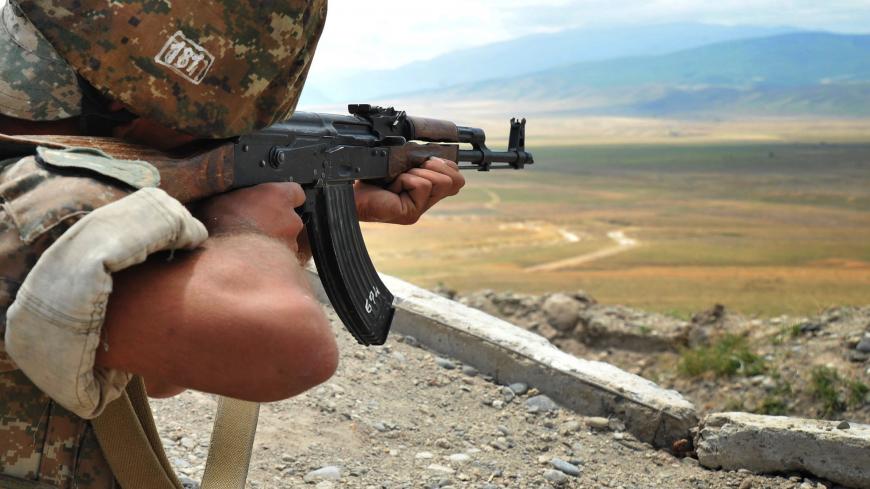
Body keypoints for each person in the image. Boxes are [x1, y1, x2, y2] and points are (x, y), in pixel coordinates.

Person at [0, 1, 465, 487]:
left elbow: (173, 364)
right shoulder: (40, 202)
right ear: (136, 108)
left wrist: (318, 216)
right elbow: (287, 352)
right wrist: (248, 228)